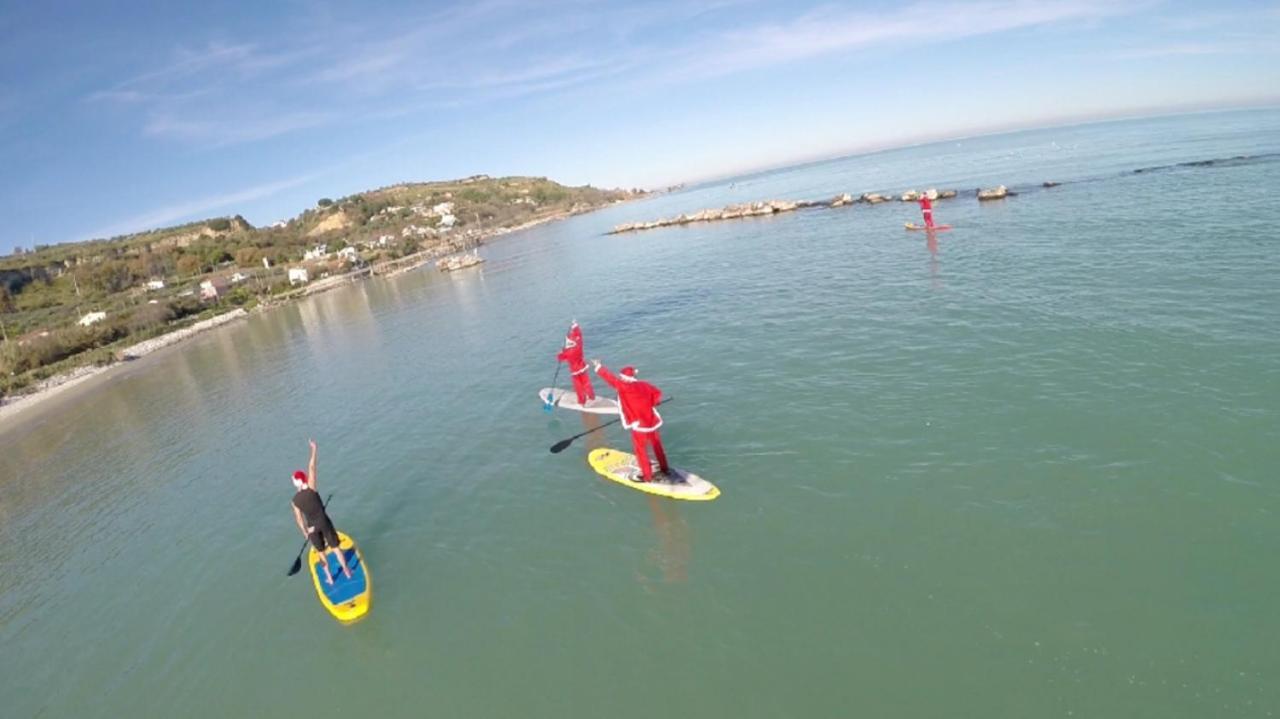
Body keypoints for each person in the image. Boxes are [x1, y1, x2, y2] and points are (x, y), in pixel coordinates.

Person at [592, 360, 670, 483]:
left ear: (625, 378)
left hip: (640, 425)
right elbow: (657, 393)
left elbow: (611, 380)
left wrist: (598, 367)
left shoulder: (625, 387)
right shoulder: (645, 385)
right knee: (657, 446)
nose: (620, 379)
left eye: (621, 377)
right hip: (652, 421)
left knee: (641, 451)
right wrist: (653, 402)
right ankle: (665, 469)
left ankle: (647, 476)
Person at [290, 439, 352, 585]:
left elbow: (299, 519)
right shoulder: (312, 488)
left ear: (297, 482)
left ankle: (329, 578)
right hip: (323, 522)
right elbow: (311, 468)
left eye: (293, 480)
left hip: (311, 528)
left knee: (320, 553)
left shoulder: (294, 501)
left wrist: (305, 532)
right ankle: (347, 571)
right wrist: (314, 449)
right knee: (335, 548)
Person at [556, 320, 597, 406]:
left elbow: (560, 358)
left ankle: (582, 401)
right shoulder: (579, 345)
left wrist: (560, 352)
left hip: (574, 371)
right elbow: (579, 335)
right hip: (582, 367)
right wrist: (575, 327)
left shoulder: (567, 352)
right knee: (586, 383)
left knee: (579, 387)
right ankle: (591, 396)